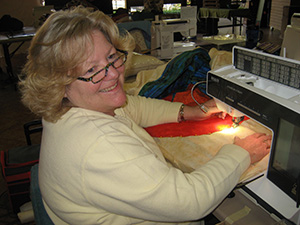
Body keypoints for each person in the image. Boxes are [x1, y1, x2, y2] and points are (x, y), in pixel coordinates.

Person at [19, 6, 271, 225]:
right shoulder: (100, 146)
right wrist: (242, 152)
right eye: (92, 70)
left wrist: (189, 112)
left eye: (111, 57)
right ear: (59, 83)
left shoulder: (68, 106)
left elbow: (130, 106)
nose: (112, 74)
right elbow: (190, 200)